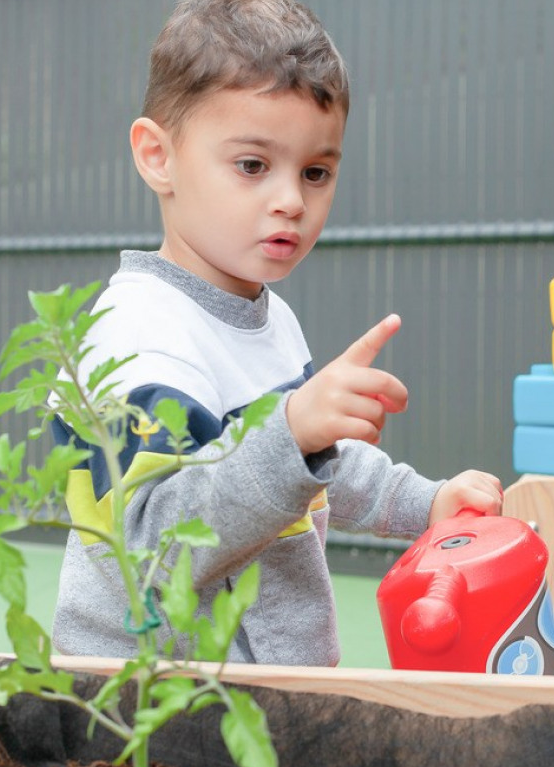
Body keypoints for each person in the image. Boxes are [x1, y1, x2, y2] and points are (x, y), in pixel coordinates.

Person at [50, 0, 503, 666]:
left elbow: (315, 467)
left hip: (268, 699)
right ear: (158, 156)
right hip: (158, 702)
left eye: (315, 172)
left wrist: (423, 501)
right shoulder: (136, 338)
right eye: (253, 165)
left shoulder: (268, 316)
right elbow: (149, 550)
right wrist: (290, 433)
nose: (292, 200)